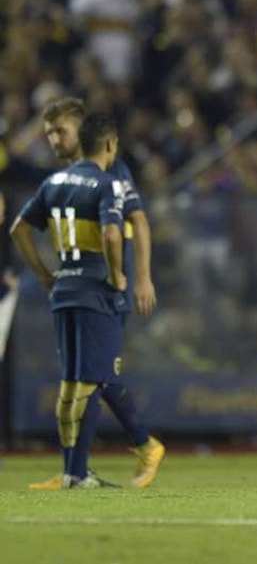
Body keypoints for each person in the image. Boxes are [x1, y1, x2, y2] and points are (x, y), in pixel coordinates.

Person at [27, 97, 165, 490]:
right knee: (86, 377)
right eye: (49, 132)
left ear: (82, 130)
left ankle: (134, 447)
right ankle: (77, 470)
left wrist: (141, 278)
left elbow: (137, 221)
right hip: (80, 285)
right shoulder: (67, 175)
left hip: (106, 286)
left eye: (61, 130)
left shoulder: (112, 168)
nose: (54, 139)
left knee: (93, 375)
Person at [10, 113, 131, 488]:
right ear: (109, 144)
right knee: (93, 380)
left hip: (63, 288)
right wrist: (117, 275)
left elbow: (19, 229)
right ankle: (79, 472)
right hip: (94, 288)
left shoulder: (54, 182)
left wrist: (45, 274)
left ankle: (72, 471)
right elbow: (112, 235)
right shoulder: (107, 183)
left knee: (71, 381)